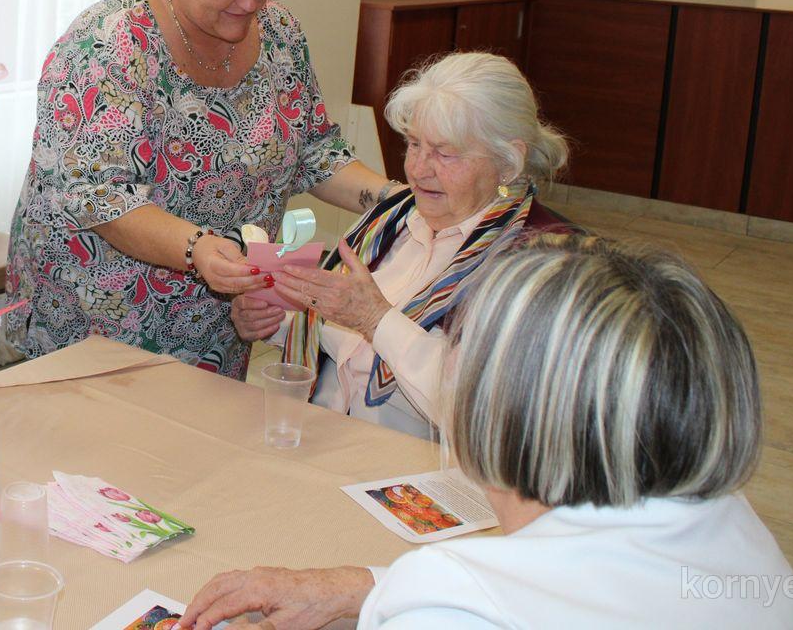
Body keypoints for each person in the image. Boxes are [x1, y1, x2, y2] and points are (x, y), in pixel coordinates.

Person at [178, 236, 793, 630]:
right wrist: (359, 589)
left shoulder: (459, 605)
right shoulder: (727, 519)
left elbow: (487, 601)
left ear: (499, 413)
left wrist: (414, 596)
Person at [5, 0, 392, 379]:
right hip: (98, 316)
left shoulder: (279, 34)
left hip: (219, 316)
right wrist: (196, 248)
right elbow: (98, 197)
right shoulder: (106, 48)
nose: (250, 2)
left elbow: (315, 151)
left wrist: (393, 199)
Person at [235, 52, 570, 437]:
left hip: (416, 467)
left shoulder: (540, 260)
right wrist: (273, 322)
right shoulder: (392, 219)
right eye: (413, 144)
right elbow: (340, 340)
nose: (418, 170)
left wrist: (375, 319)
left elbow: (486, 411)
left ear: (509, 161)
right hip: (321, 437)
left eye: (445, 153)